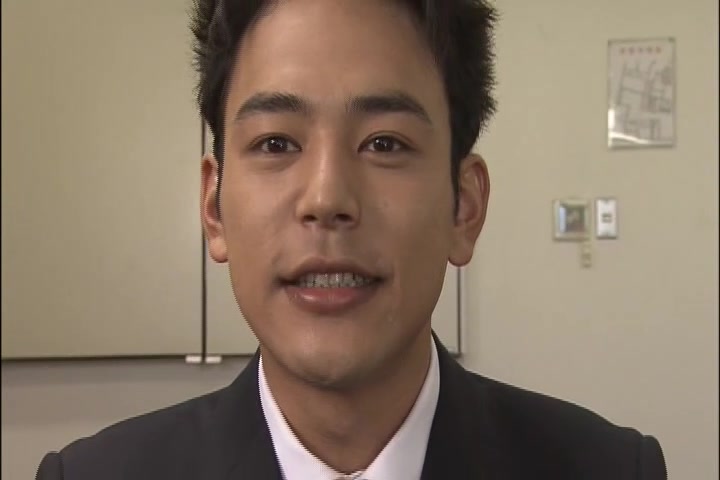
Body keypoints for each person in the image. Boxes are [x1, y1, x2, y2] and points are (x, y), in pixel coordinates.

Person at [36, 0, 668, 478]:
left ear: (464, 207)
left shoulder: (612, 469)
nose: (326, 198)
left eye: (384, 143)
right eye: (276, 143)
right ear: (214, 208)